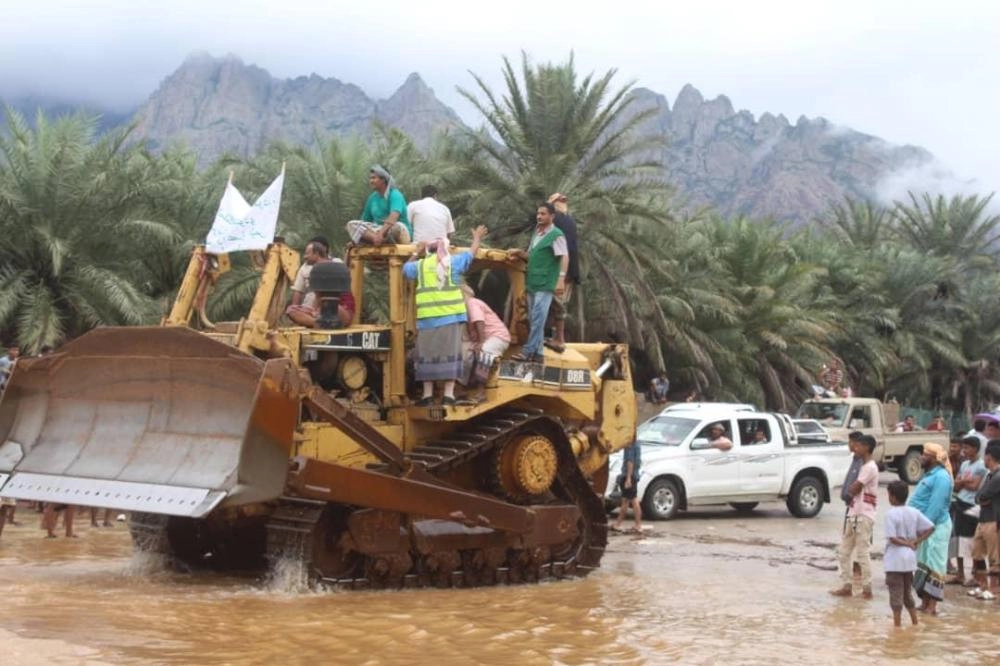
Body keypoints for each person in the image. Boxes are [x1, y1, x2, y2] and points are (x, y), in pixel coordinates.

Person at [403, 226, 488, 407]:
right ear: (444, 249)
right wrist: (476, 238)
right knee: (451, 356)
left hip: (427, 321)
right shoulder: (452, 263)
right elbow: (471, 254)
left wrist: (416, 254)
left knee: (427, 357)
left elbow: (405, 269)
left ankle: (427, 396)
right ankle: (448, 396)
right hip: (450, 320)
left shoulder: (421, 266)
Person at [509, 203, 568, 363]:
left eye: (543, 214)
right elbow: (532, 256)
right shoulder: (537, 233)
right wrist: (520, 253)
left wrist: (561, 279)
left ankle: (528, 352)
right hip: (533, 282)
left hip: (546, 283)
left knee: (538, 318)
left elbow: (564, 256)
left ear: (551, 216)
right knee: (534, 319)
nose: (539, 217)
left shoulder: (557, 234)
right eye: (538, 214)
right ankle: (539, 354)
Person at [907, 442, 954, 615]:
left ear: (934, 458)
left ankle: (932, 606)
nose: (921, 457)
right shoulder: (930, 475)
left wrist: (924, 528)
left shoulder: (941, 477)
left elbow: (935, 506)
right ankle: (925, 602)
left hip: (935, 527)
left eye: (925, 455)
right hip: (926, 528)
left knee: (935, 566)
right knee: (924, 564)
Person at [831, 434, 878, 599]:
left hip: (863, 515)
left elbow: (854, 488)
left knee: (862, 553)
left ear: (866, 448)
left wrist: (853, 488)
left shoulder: (870, 468)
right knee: (844, 552)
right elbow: (852, 488)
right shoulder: (863, 466)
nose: (855, 448)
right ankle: (846, 585)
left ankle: (867, 589)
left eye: (858, 446)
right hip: (853, 513)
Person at [883, 480, 935, 627]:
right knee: (907, 594)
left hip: (894, 561)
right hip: (909, 560)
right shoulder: (914, 512)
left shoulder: (890, 514)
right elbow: (931, 528)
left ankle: (897, 626)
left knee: (895, 594)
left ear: (892, 496)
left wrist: (907, 543)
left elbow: (892, 538)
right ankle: (914, 622)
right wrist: (916, 541)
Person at [286, 237, 355, 328]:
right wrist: (313, 312)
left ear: (316, 253)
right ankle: (318, 322)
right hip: (321, 310)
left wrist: (315, 311)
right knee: (291, 310)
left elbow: (320, 296)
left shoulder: (332, 266)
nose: (305, 256)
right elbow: (317, 295)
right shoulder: (315, 269)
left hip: (340, 309)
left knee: (329, 305)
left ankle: (320, 321)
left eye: (307, 253)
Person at [459, 284, 511, 402]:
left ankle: (481, 391)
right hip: (487, 338)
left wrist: (481, 342)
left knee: (485, 351)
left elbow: (479, 321)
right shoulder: (465, 309)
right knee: (465, 351)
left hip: (498, 337)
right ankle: (463, 386)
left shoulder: (472, 303)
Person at [947, 437, 985, 586]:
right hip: (960, 503)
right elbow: (955, 485)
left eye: (967, 448)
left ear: (975, 448)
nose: (965, 451)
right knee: (958, 540)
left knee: (972, 541)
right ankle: (960, 573)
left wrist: (962, 482)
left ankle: (975, 574)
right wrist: (963, 482)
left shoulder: (981, 466)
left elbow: (974, 486)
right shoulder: (964, 464)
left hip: (972, 505)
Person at [345, 165, 412, 246]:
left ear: (383, 179)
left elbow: (394, 216)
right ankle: (376, 239)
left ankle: (376, 239)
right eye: (370, 178)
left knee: (396, 227)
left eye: (374, 178)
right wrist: (374, 236)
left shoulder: (395, 194)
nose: (371, 181)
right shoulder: (372, 198)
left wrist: (381, 233)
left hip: (398, 232)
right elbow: (365, 222)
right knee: (351, 224)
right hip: (379, 232)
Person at [546, 192, 580, 348]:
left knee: (555, 304)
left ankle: (558, 339)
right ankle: (556, 338)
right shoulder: (570, 221)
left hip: (560, 270)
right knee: (557, 304)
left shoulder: (556, 219)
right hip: (569, 271)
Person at [968, 441, 1000, 600]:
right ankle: (983, 586)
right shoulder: (990, 475)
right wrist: (982, 499)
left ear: (989, 457)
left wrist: (982, 499)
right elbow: (979, 497)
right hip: (983, 519)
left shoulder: (997, 476)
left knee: (995, 557)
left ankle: (994, 590)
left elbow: (983, 496)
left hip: (994, 520)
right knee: (977, 552)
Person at [612, 439, 642, 534]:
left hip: (629, 476)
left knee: (629, 500)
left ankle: (634, 525)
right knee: (629, 500)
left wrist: (628, 478)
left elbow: (630, 462)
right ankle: (632, 524)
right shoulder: (637, 443)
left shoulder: (630, 445)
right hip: (634, 475)